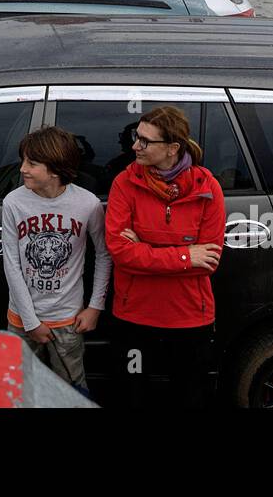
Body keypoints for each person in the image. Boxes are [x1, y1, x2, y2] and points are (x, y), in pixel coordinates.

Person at [104, 105, 226, 407]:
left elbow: (208, 260)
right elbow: (121, 253)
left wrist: (144, 248)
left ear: (172, 148)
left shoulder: (207, 188)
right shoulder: (125, 182)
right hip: (135, 317)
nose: (135, 146)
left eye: (145, 141)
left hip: (189, 319)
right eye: (136, 136)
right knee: (133, 397)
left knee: (188, 398)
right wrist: (186, 256)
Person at [2, 126, 112, 393]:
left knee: (70, 388)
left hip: (68, 319)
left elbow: (104, 253)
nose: (22, 169)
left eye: (32, 163)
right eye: (23, 161)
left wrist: (95, 306)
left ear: (55, 169)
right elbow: (12, 264)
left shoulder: (87, 204)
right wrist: (31, 321)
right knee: (20, 388)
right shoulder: (14, 202)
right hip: (22, 319)